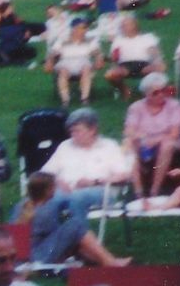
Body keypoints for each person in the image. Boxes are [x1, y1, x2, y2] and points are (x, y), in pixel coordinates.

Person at [28, 108, 137, 268]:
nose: (73, 135)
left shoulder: (108, 146)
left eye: (77, 131)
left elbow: (124, 175)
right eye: (71, 131)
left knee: (77, 198)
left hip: (101, 191)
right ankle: (57, 249)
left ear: (92, 129)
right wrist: (57, 180)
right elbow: (46, 172)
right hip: (65, 191)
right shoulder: (65, 146)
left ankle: (82, 249)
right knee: (49, 200)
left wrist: (94, 181)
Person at [125, 74, 180, 199]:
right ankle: (138, 191)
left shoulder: (174, 106)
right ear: (146, 94)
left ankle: (155, 190)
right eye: (155, 93)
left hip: (173, 144)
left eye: (164, 90)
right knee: (129, 144)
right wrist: (144, 139)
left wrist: (154, 139)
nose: (161, 95)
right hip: (144, 144)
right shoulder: (136, 108)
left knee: (167, 144)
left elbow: (174, 134)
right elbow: (129, 132)